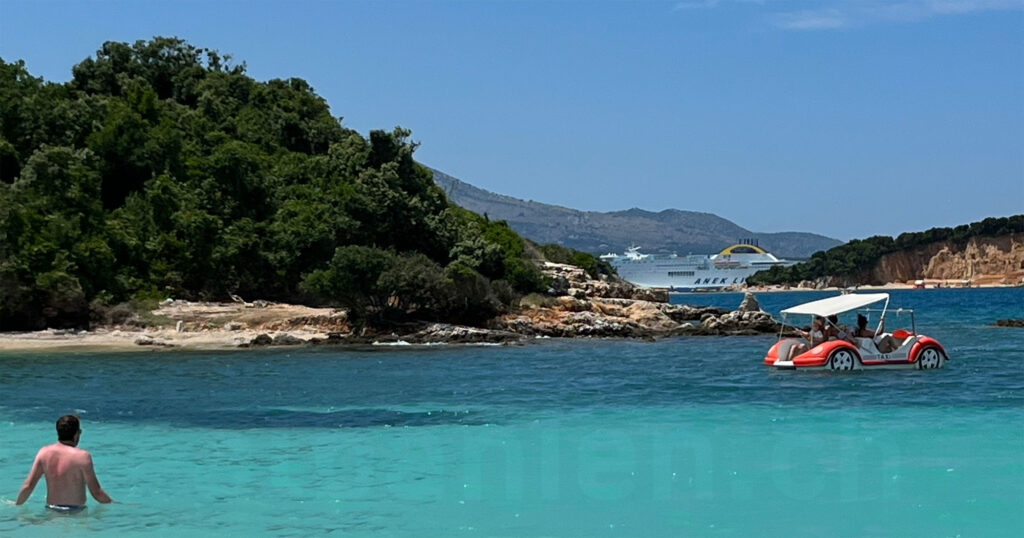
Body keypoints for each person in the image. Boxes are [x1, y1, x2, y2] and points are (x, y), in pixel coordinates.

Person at [15, 415, 113, 511]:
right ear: (77, 433)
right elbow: (97, 493)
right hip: (76, 514)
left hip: (51, 511)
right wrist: (116, 505)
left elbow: (28, 486)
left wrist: (16, 504)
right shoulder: (82, 456)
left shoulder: (44, 453)